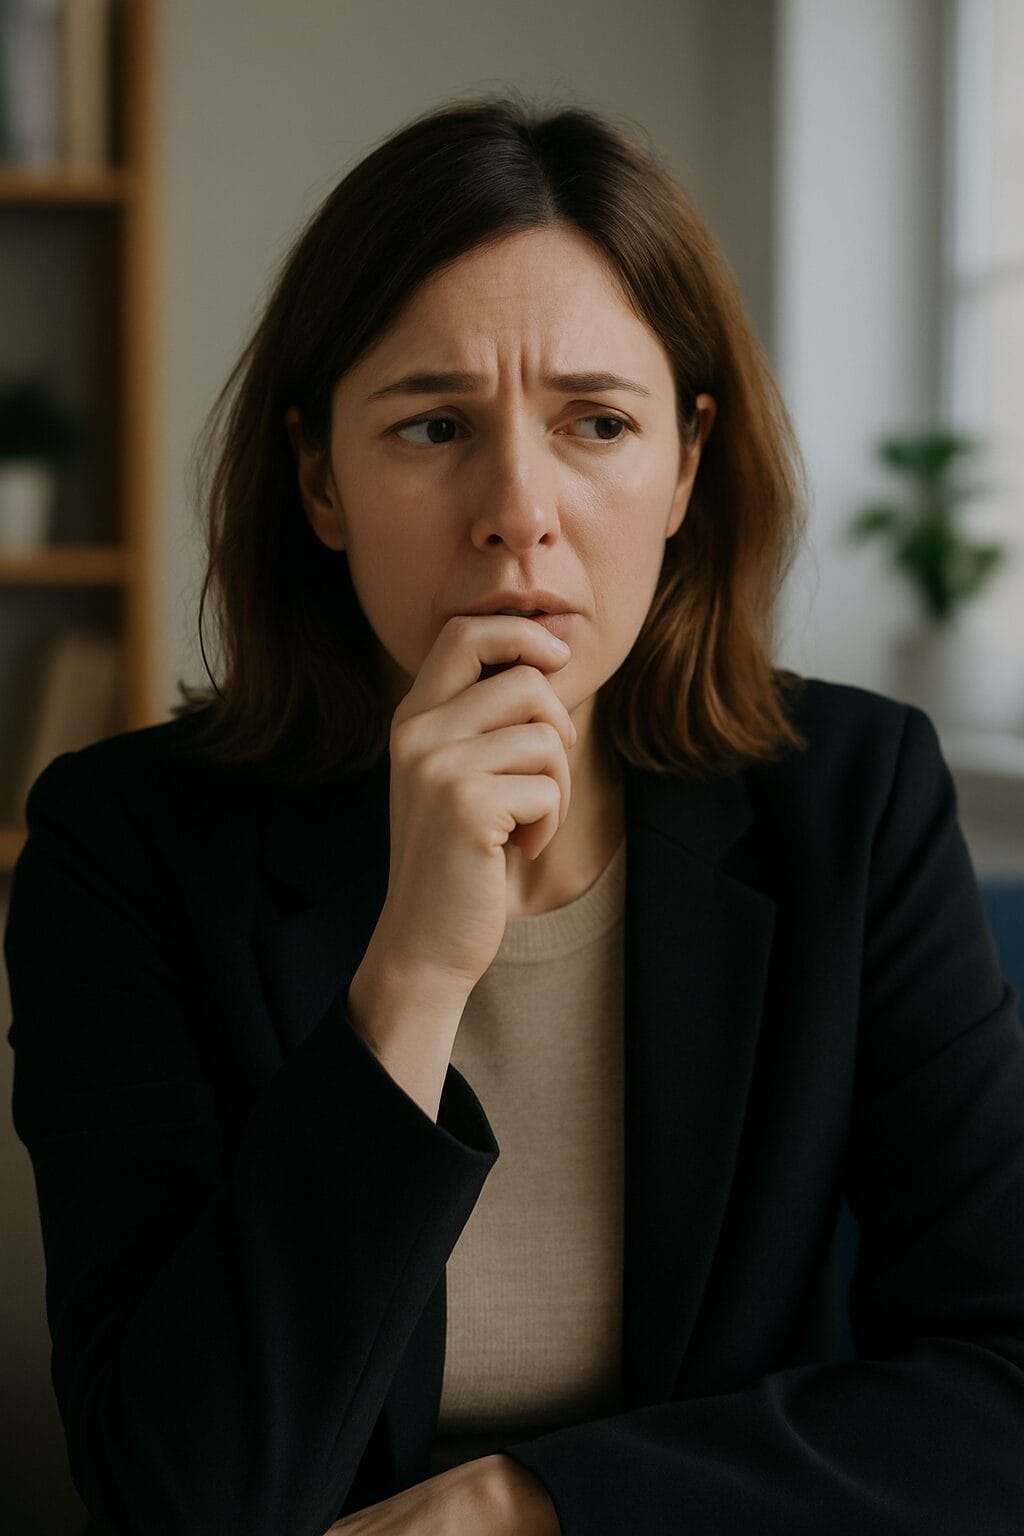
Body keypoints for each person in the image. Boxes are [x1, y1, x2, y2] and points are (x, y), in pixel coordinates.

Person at [5, 89, 1023, 1536]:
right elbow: (181, 1495)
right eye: (433, 427)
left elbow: (1003, 1386)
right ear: (320, 481)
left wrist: (532, 1507)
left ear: (683, 466)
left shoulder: (854, 802)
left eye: (597, 422)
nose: (517, 509)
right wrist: (412, 971)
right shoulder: (124, 847)